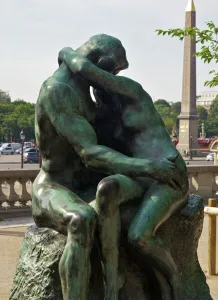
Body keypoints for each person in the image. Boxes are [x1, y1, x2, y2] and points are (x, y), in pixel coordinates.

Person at [32, 34, 180, 300]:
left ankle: (116, 281)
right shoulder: (58, 91)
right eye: (112, 70)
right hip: (55, 186)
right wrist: (149, 167)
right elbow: (90, 154)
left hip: (87, 185)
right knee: (81, 219)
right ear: (100, 64)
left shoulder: (88, 93)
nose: (112, 79)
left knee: (110, 205)